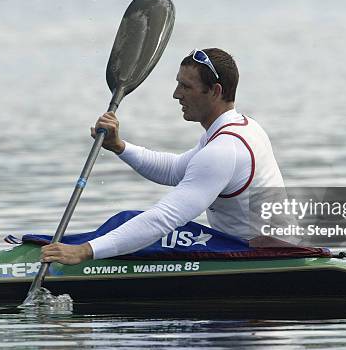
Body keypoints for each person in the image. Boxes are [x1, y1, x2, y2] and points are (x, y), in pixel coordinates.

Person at [41, 48, 285, 264]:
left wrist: (84, 252)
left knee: (130, 221)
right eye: (178, 84)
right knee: (128, 222)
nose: (176, 94)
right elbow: (173, 170)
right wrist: (119, 146)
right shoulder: (242, 127)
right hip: (270, 244)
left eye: (186, 86)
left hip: (260, 256)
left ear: (215, 91)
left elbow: (163, 219)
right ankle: (72, 245)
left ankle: (72, 249)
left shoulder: (223, 150)